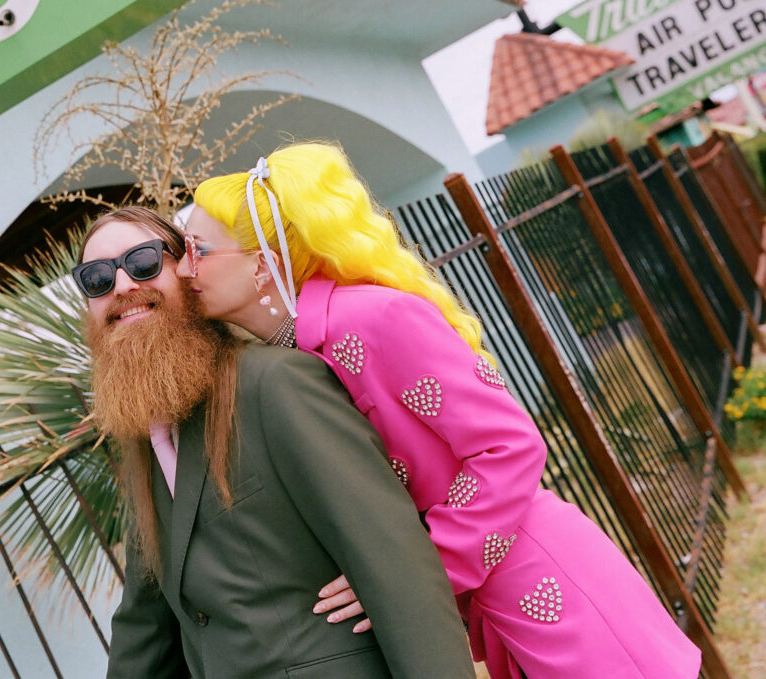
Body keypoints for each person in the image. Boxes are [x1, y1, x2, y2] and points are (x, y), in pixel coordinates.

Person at [175, 143, 703, 679]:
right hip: (489, 599)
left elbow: (508, 445)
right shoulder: (283, 361)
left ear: (263, 264)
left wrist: (412, 572)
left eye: (198, 249)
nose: (181, 268)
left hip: (538, 578)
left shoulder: (376, 318)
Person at [74, 206, 474, 679]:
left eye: (142, 263)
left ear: (186, 270)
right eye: (97, 278)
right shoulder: (144, 437)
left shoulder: (277, 384)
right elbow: (146, 624)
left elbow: (397, 566)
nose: (121, 287)